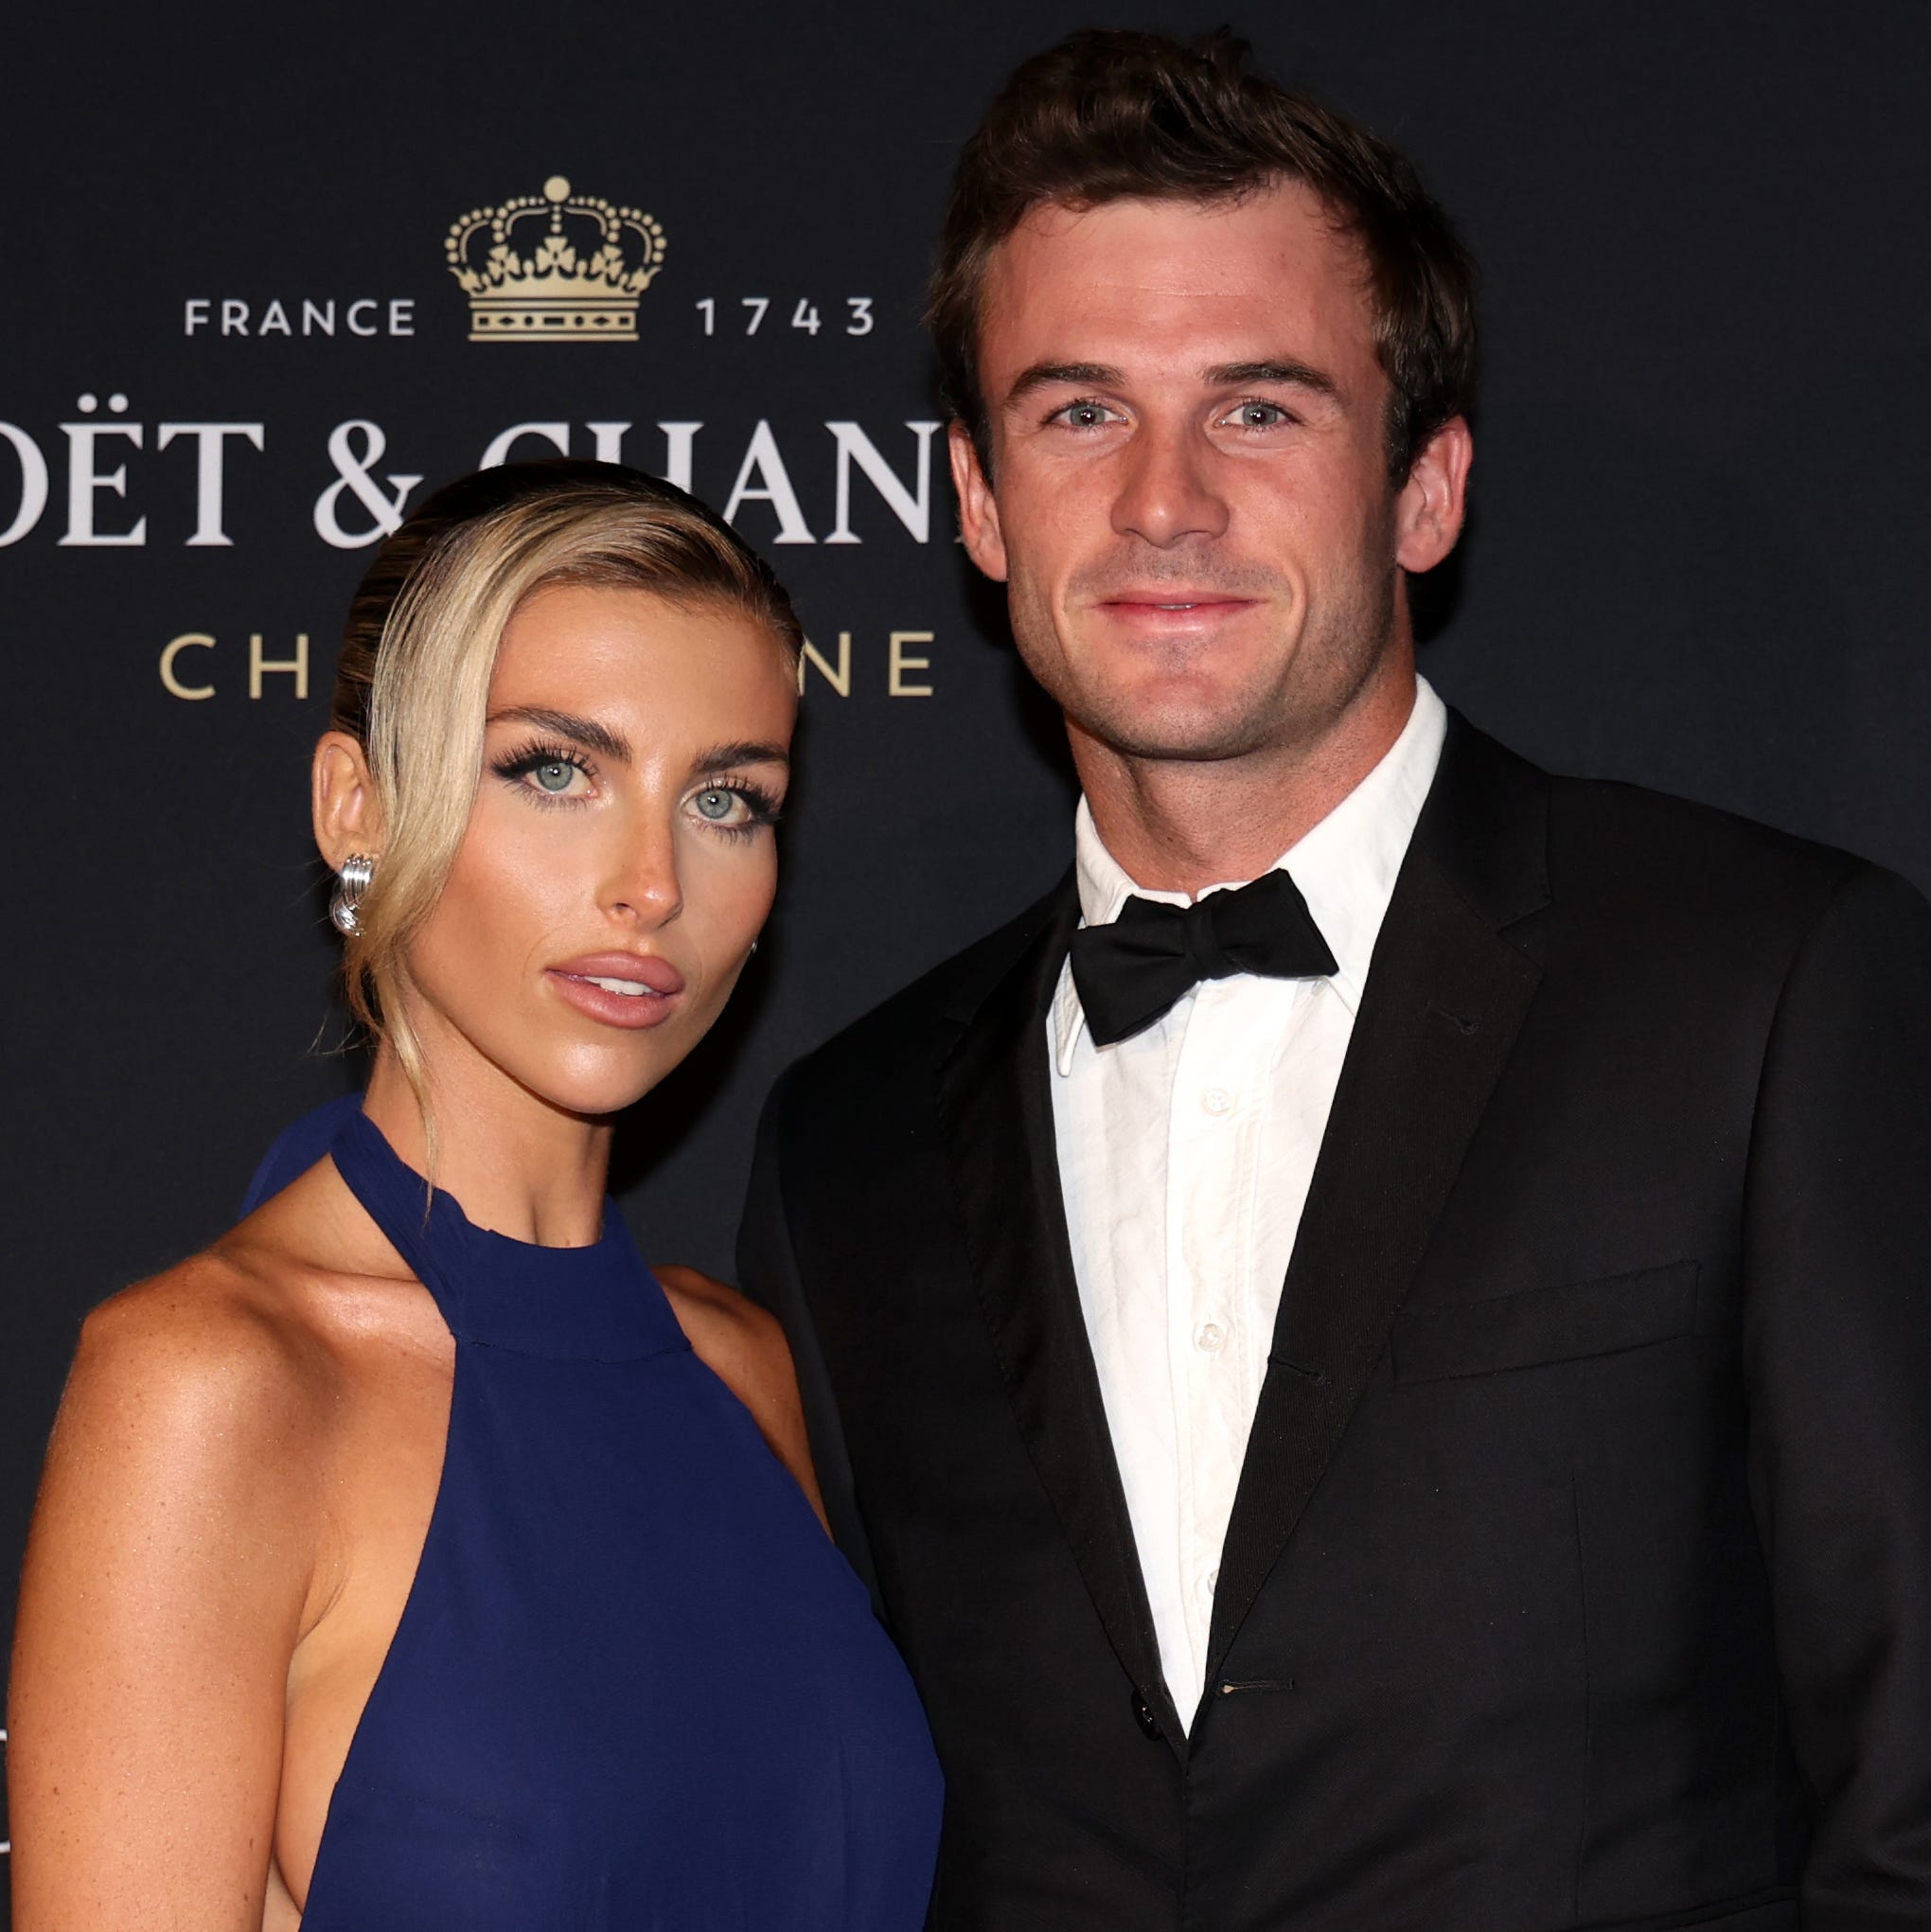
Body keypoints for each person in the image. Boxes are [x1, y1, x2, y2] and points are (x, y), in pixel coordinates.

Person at [736, 28, 1931, 1932]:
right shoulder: (844, 1147)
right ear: (975, 502)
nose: (1162, 501)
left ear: (1427, 485)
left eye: (1261, 409)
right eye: (1076, 413)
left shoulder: (1770, 992)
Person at [9, 461, 942, 1931]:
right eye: (554, 767)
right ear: (356, 800)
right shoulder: (209, 1387)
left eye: (725, 797)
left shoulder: (739, 1365)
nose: (651, 882)